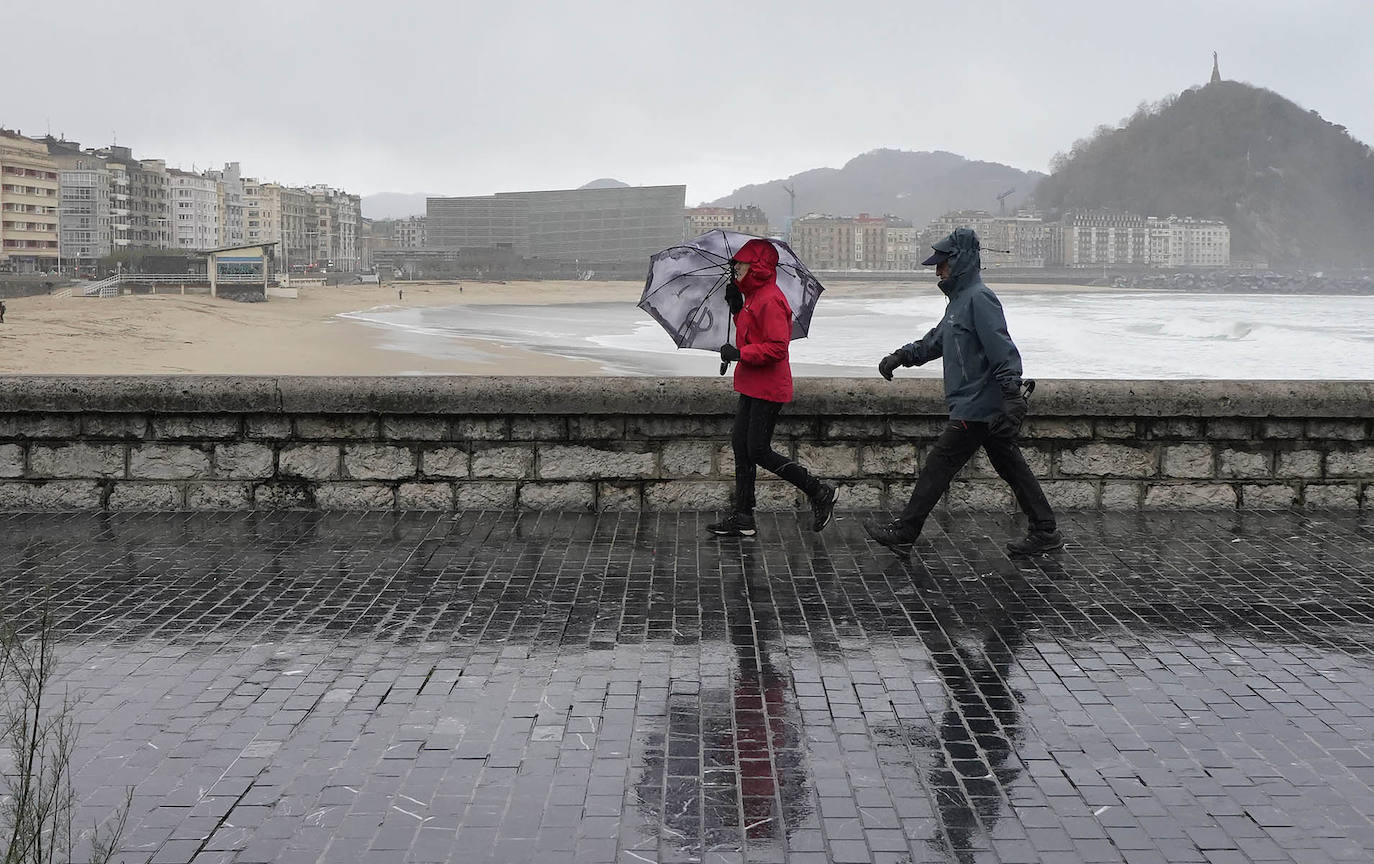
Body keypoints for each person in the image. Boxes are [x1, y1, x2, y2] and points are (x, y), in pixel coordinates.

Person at [865, 227, 1063, 556]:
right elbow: (935, 342)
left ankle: (905, 531)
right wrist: (901, 356)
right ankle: (1045, 530)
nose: (937, 271)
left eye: (942, 264)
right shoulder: (960, 302)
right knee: (1010, 465)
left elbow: (1001, 347)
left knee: (939, 464)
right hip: (978, 404)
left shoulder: (980, 298)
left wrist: (1012, 393)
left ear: (960, 261)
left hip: (978, 404)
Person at [707, 238, 838, 538]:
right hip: (752, 383)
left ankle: (819, 491)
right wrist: (736, 308)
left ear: (756, 267)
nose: (736, 269)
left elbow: (777, 348)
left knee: (758, 450)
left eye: (740, 264)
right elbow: (751, 335)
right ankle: (743, 516)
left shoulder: (770, 299)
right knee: (741, 446)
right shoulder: (753, 297)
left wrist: (739, 354)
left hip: (768, 387)